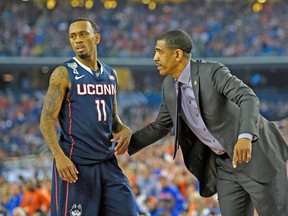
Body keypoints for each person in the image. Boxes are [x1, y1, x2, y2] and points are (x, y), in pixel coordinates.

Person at [119, 29, 288, 216]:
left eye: (159, 51)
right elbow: (160, 125)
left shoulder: (211, 71)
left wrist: (245, 136)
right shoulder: (168, 86)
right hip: (225, 164)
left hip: (256, 153)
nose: (154, 58)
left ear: (177, 54)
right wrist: (125, 144)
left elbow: (248, 97)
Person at [39, 17, 137, 216]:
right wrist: (59, 156)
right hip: (76, 165)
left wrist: (123, 128)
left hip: (108, 162)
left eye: (83, 34)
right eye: (73, 36)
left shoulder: (111, 74)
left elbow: (112, 118)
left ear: (97, 38)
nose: (77, 40)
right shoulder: (63, 73)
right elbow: (46, 120)